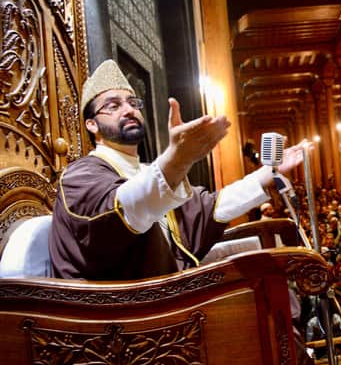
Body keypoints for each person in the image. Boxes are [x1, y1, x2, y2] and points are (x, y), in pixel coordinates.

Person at [50, 60, 308, 280]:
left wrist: (267, 173)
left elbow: (210, 208)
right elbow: (125, 209)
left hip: (170, 293)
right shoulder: (80, 175)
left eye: (132, 102)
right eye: (113, 106)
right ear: (92, 125)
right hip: (123, 310)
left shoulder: (143, 171)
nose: (128, 110)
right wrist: (177, 160)